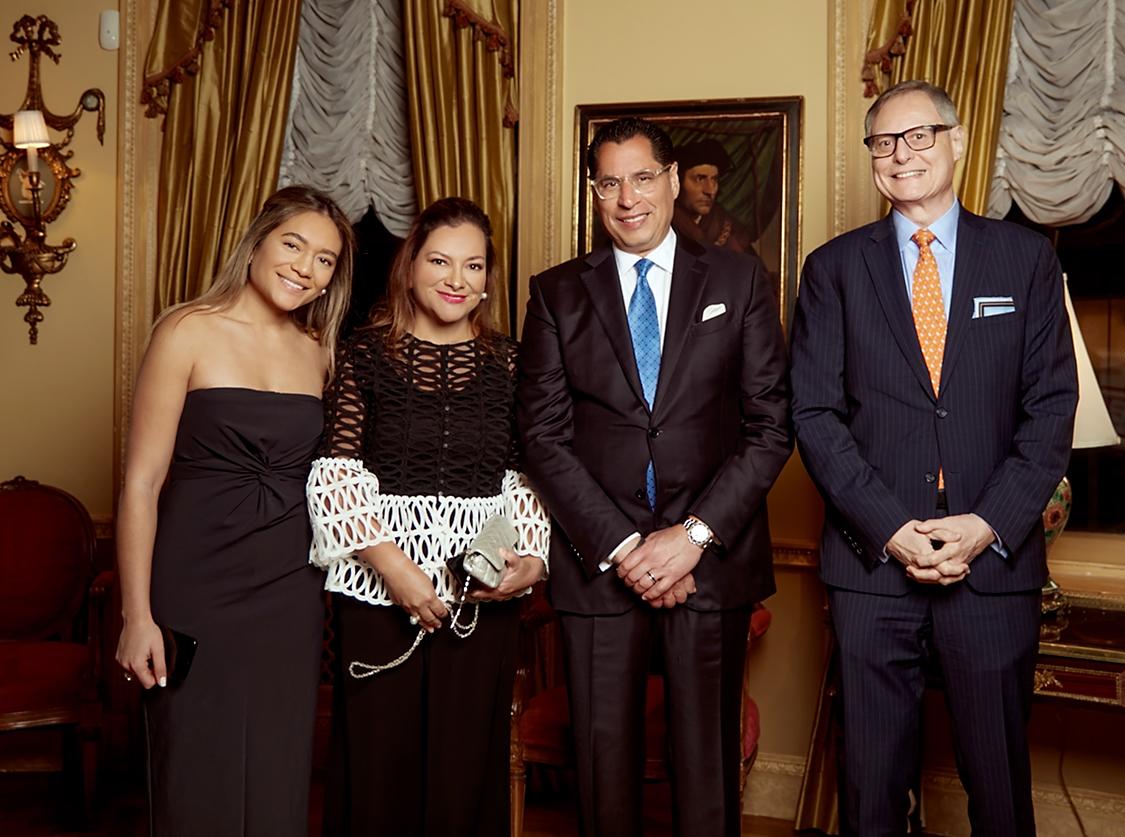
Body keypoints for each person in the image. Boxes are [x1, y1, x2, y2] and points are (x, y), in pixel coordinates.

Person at [790, 79, 1078, 836]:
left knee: (1000, 792)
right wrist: (891, 526)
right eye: (884, 142)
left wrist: (986, 524)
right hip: (873, 569)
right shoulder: (833, 271)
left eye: (918, 136)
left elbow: (1051, 412)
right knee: (871, 795)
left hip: (992, 568)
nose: (901, 154)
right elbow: (814, 415)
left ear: (956, 140)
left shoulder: (1024, 262)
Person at [518, 117, 791, 837]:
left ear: (672, 182)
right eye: (609, 182)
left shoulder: (739, 279)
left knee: (706, 779)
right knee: (603, 778)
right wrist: (626, 547)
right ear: (595, 192)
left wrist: (692, 537)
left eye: (642, 177)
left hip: (712, 562)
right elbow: (541, 436)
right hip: (599, 565)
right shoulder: (556, 294)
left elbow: (771, 426)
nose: (626, 197)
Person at [114, 185, 355, 836]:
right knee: (193, 765)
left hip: (289, 590)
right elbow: (140, 483)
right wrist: (137, 614)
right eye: (293, 244)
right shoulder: (186, 329)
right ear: (257, 243)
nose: (306, 267)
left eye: (325, 259)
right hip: (194, 585)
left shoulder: (321, 352)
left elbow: (343, 480)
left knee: (278, 769)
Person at [306, 197, 551, 837]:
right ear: (410, 266)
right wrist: (398, 573)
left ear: (488, 279)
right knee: (379, 763)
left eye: (473, 266)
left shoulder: (510, 361)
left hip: (480, 599)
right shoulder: (364, 354)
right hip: (378, 589)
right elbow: (336, 476)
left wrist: (532, 560)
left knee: (464, 765)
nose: (456, 279)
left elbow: (522, 475)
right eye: (440, 261)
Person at [670, 138, 757, 254]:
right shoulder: (662, 226)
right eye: (700, 179)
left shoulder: (729, 229)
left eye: (714, 179)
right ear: (677, 182)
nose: (710, 190)